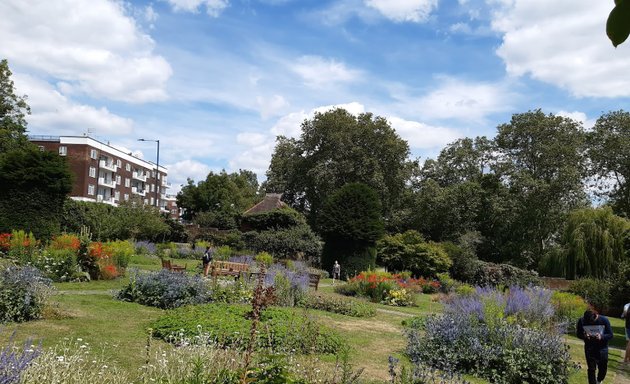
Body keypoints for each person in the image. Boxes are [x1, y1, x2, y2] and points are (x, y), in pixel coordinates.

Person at [577, 309, 614, 384]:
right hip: (589, 347)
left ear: (596, 316)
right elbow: (578, 334)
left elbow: (610, 335)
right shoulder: (581, 321)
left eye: (591, 322)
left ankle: (599, 380)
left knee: (603, 368)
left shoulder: (604, 320)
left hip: (602, 348)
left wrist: (601, 336)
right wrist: (584, 336)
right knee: (591, 369)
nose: (589, 323)